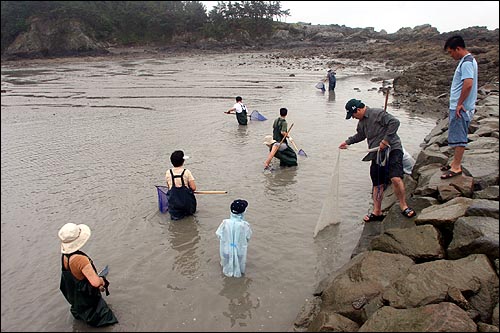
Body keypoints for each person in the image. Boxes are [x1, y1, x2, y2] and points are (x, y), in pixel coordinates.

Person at [338, 98, 416, 222]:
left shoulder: (378, 113)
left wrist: (385, 140)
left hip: (393, 149)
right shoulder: (361, 123)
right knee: (377, 184)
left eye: (352, 115)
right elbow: (360, 135)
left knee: (395, 178)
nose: (353, 117)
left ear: (358, 110)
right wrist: (347, 142)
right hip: (377, 154)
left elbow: (395, 122)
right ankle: (377, 211)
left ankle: (404, 206)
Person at [58, 223, 118, 327]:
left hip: (77, 303)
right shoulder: (80, 259)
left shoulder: (65, 257)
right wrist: (102, 280)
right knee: (109, 322)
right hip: (90, 304)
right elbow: (95, 283)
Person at [441, 35, 478, 179]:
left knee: (460, 136)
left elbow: (468, 83)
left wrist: (460, 103)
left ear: (458, 48)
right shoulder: (468, 60)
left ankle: (456, 167)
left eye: (451, 52)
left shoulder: (467, 62)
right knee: (456, 135)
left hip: (462, 107)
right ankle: (454, 163)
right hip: (461, 105)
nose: (451, 55)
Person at [216, 199, 253, 278]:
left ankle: (227, 274)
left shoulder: (225, 222)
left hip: (226, 250)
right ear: (243, 212)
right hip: (239, 251)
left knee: (226, 262)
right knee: (239, 264)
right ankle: (237, 276)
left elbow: (218, 234)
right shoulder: (245, 225)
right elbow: (248, 237)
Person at [165, 150, 197, 220]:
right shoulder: (187, 172)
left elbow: (169, 187)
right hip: (187, 204)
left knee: (176, 220)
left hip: (174, 205)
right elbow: (193, 187)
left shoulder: (168, 172)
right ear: (183, 161)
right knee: (190, 219)